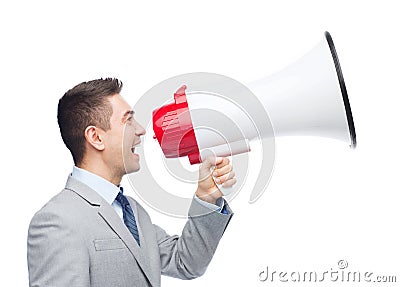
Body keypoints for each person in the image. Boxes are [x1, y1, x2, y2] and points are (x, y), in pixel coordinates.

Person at [27, 78, 236, 287]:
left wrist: (207, 197)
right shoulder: (57, 221)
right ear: (96, 137)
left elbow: (186, 263)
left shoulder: (134, 213)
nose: (141, 130)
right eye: (128, 121)